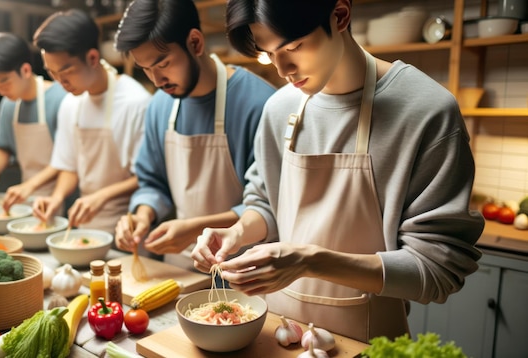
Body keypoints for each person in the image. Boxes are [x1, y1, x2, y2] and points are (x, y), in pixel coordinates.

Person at [191, 0, 485, 342]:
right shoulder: (279, 108)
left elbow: (436, 270)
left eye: (294, 46)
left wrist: (310, 261)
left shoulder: (427, 111)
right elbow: (267, 204)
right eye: (269, 54)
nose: (283, 68)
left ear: (340, 15)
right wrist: (238, 232)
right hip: (277, 334)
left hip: (369, 339)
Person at [113, 0, 276, 269]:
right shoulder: (160, 105)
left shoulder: (259, 104)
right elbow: (153, 182)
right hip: (179, 268)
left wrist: (194, 229)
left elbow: (266, 205)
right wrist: (143, 214)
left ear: (195, 43)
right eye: (146, 69)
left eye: (163, 64)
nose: (156, 80)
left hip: (243, 270)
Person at [31, 9, 151, 234]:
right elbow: (69, 166)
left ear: (93, 58)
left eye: (66, 71)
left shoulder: (136, 102)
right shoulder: (70, 104)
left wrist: (101, 196)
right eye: (52, 73)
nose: (60, 82)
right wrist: (56, 198)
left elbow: (147, 177)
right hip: (84, 225)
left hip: (129, 226)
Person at [0, 32, 67, 212]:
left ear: (25, 70)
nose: (0, 91)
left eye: (4, 82)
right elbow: (2, 146)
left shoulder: (60, 99)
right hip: (26, 199)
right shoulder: (9, 104)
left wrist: (30, 186)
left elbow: (67, 158)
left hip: (63, 198)